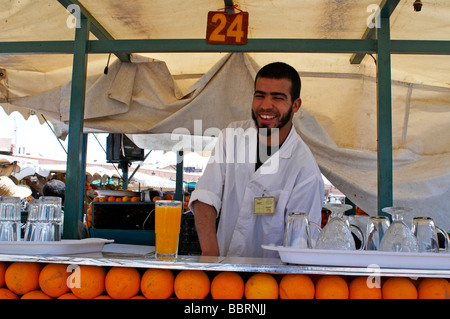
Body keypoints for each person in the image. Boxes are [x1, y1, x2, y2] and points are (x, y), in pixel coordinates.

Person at [189, 62, 324, 258]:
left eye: (278, 98)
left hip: (272, 280)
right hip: (223, 273)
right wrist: (210, 255)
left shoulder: (305, 169)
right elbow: (205, 196)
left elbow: (302, 242)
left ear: (296, 105)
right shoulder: (231, 137)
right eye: (260, 95)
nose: (265, 105)